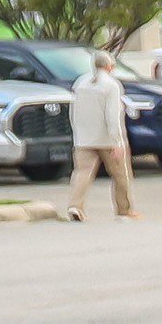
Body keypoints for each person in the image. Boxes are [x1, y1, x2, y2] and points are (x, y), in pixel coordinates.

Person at [63, 49, 137, 220]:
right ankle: (124, 210)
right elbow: (112, 116)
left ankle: (75, 206)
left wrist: (77, 133)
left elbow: (73, 112)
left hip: (84, 138)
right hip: (107, 139)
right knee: (120, 174)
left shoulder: (80, 83)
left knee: (81, 172)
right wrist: (117, 141)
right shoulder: (111, 85)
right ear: (110, 66)